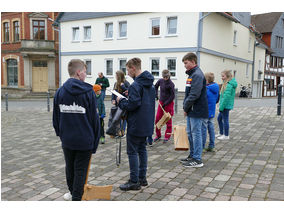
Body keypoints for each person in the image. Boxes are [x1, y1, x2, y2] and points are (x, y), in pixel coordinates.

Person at [53, 59, 100, 201]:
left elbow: (56, 118)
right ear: (79, 73)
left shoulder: (60, 92)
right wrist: (95, 141)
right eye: (85, 72)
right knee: (80, 171)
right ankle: (76, 198)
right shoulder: (89, 92)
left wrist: (61, 134)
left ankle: (73, 192)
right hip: (85, 140)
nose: (86, 75)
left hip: (67, 139)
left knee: (70, 168)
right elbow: (95, 120)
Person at [116, 57, 155, 191]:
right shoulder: (149, 84)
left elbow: (132, 105)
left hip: (136, 124)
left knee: (132, 152)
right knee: (142, 149)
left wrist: (120, 100)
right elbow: (142, 100)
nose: (127, 73)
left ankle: (134, 181)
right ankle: (142, 178)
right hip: (147, 123)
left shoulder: (136, 85)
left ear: (133, 68)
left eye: (128, 70)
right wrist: (130, 94)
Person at [180, 52, 208, 168]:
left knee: (196, 134)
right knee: (190, 134)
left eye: (186, 63)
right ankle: (192, 155)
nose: (185, 65)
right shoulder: (192, 75)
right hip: (192, 110)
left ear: (193, 61)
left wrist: (185, 107)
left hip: (196, 110)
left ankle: (197, 159)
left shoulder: (197, 75)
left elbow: (194, 94)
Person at [153, 69, 175, 143]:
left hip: (169, 104)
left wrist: (166, 103)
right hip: (161, 103)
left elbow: (172, 96)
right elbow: (155, 87)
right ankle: (158, 135)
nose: (165, 78)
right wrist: (156, 95)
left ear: (169, 76)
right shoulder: (160, 81)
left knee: (168, 120)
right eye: (164, 77)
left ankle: (167, 136)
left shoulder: (171, 84)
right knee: (157, 119)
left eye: (166, 77)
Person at [216, 70, 237, 140]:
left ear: (227, 76)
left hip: (225, 106)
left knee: (225, 120)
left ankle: (226, 135)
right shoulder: (226, 83)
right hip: (224, 105)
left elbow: (226, 97)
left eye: (223, 76)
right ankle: (221, 133)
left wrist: (221, 107)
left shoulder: (229, 85)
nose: (221, 77)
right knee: (219, 119)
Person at [201, 72, 219, 152]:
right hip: (212, 111)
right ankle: (212, 145)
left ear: (207, 80)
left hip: (205, 111)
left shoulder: (206, 89)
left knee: (203, 129)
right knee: (211, 128)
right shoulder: (216, 87)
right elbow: (217, 99)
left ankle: (202, 146)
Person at [111, 70, 130, 136]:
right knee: (117, 117)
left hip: (124, 104)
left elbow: (129, 92)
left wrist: (123, 86)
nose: (115, 77)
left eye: (116, 75)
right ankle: (118, 132)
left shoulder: (126, 83)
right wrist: (112, 99)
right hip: (117, 103)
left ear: (119, 76)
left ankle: (123, 132)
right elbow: (114, 92)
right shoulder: (116, 83)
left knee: (123, 118)